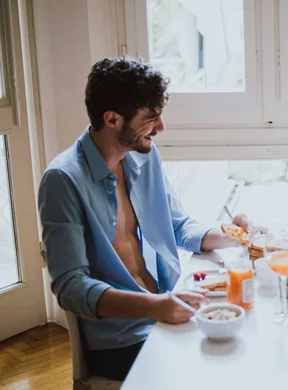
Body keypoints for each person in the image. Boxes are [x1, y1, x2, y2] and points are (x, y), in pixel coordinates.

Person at [38, 57, 253, 380]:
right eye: (151, 117)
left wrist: (229, 235)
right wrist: (156, 306)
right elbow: (71, 287)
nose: (161, 127)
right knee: (219, 370)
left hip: (168, 308)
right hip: (120, 339)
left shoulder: (144, 156)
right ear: (112, 119)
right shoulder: (62, 180)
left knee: (248, 341)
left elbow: (178, 224)